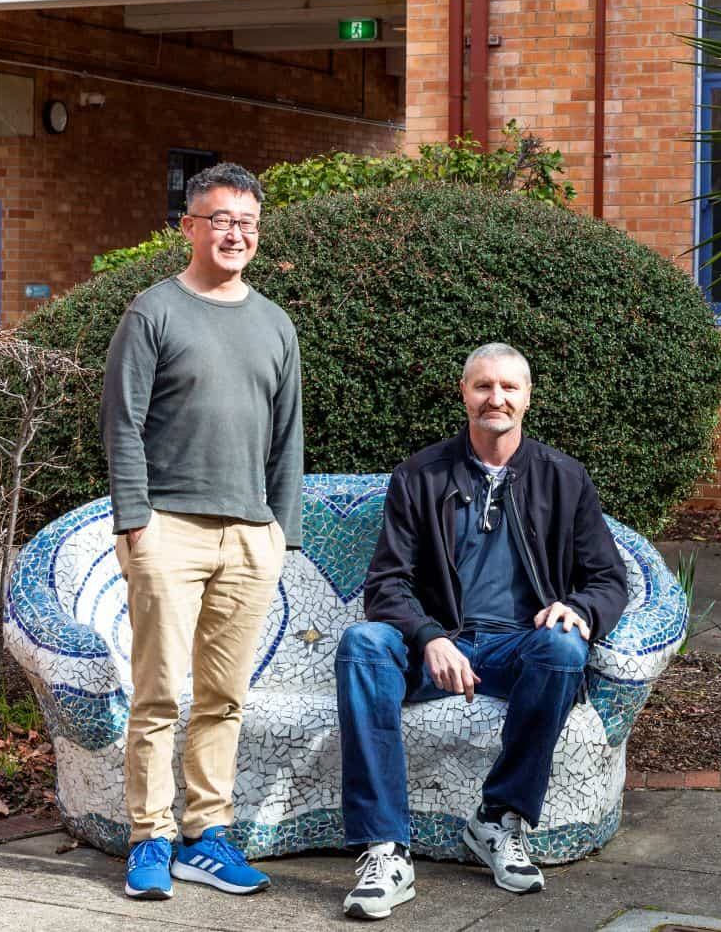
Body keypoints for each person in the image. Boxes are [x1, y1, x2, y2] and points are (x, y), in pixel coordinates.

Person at [334, 343, 628, 920]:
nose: (496, 398)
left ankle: (498, 819)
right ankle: (386, 849)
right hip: (438, 649)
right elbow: (385, 585)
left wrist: (581, 610)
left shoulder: (563, 478)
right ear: (464, 394)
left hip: (518, 650)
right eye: (483, 387)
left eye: (509, 388)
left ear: (527, 398)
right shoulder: (421, 475)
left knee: (565, 643)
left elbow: (607, 579)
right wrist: (428, 636)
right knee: (363, 644)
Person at [101, 162, 302, 901]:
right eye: (220, 220)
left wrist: (282, 533)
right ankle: (148, 837)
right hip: (169, 531)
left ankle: (205, 836)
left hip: (250, 536)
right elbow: (121, 425)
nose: (235, 234)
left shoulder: (274, 323)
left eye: (247, 223)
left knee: (223, 697)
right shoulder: (152, 313)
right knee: (156, 695)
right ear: (188, 227)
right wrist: (134, 523)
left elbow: (289, 438)